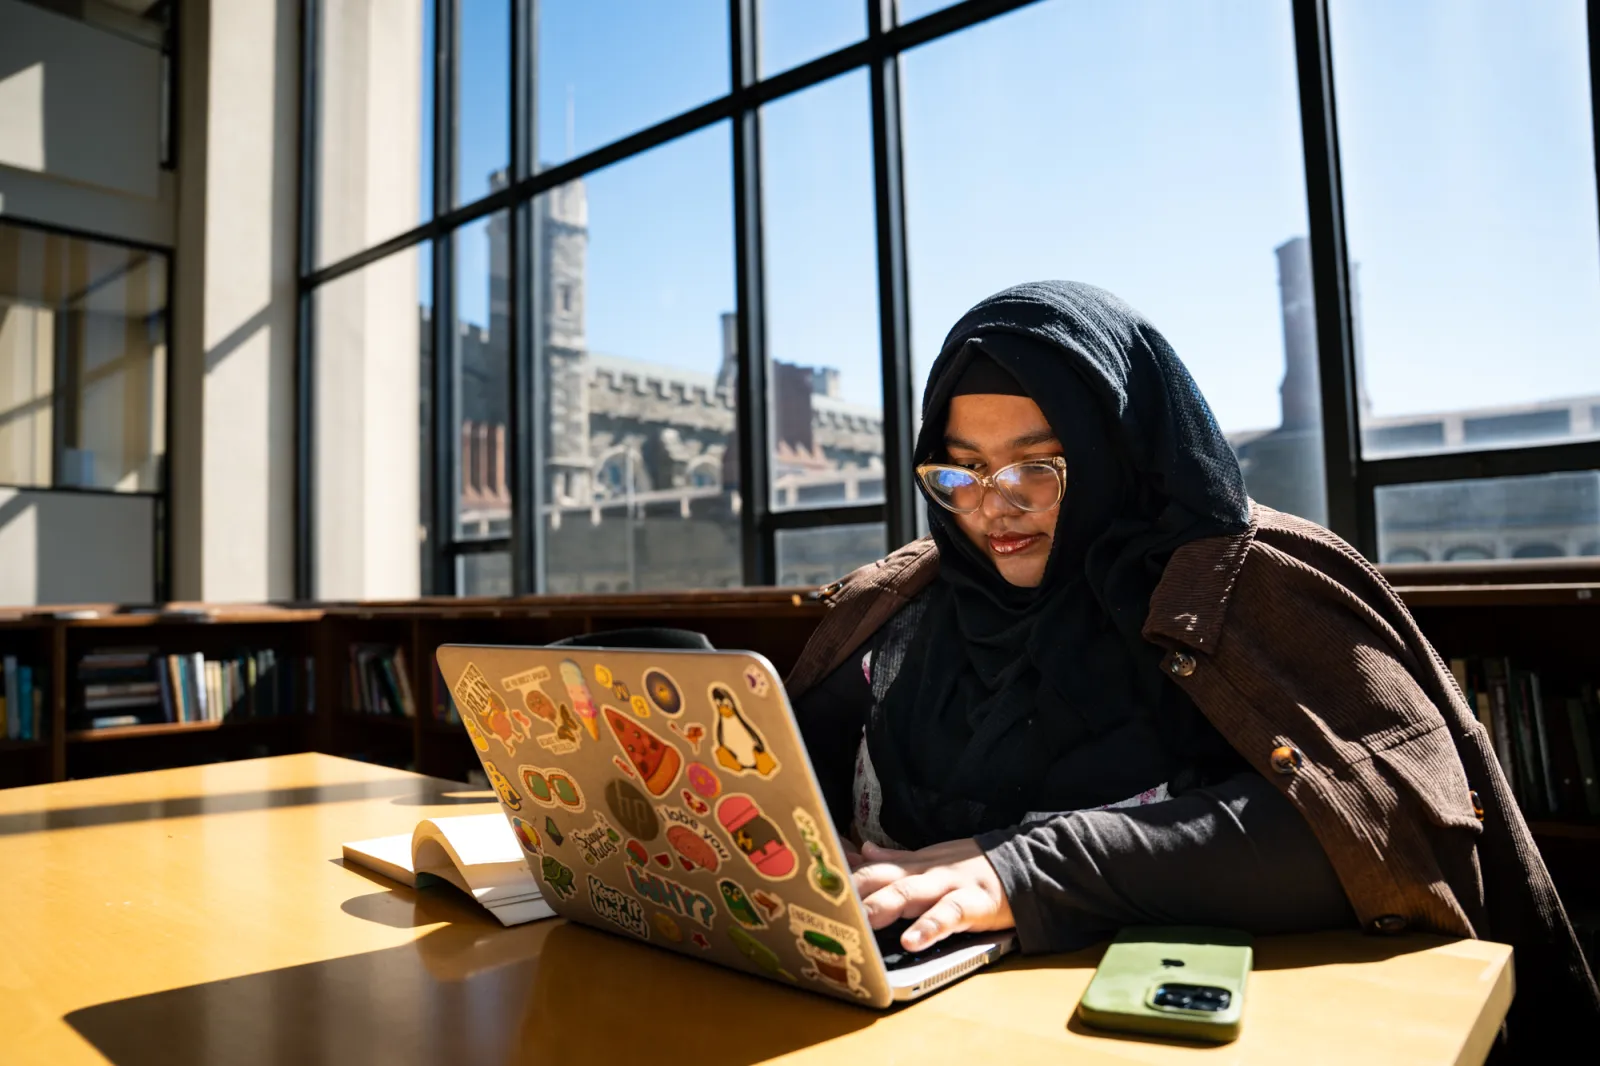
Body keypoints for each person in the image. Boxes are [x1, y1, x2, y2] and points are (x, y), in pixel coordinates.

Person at [785, 281, 1597, 1056]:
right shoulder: (909, 603)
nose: (996, 505)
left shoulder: (1254, 583)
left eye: (1039, 464)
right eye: (962, 471)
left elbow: (1386, 823)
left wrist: (1030, 870)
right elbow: (787, 771)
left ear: (1118, 454)